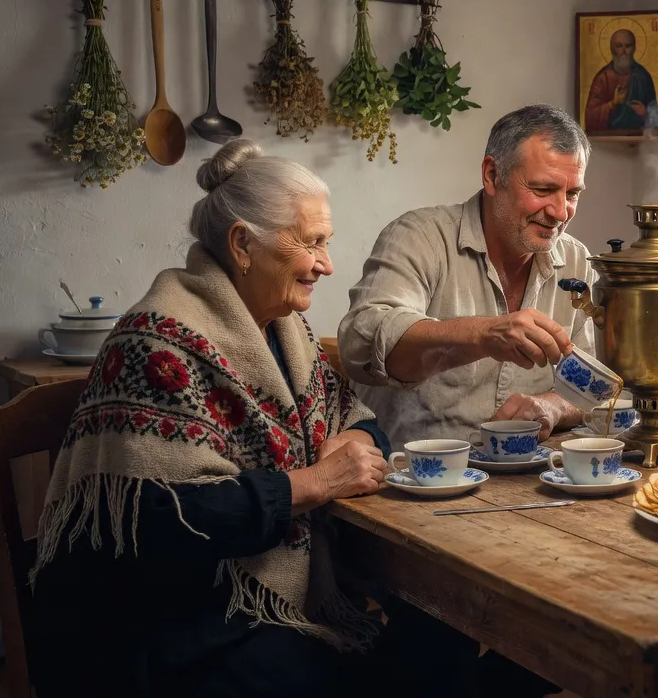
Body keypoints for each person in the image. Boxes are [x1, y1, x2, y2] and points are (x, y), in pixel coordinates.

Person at [28, 140, 413, 695]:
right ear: (242, 245)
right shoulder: (157, 343)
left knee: (421, 652)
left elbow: (358, 420)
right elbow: (162, 523)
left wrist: (348, 439)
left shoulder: (288, 332)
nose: (327, 263)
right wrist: (317, 482)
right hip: (156, 619)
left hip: (240, 595)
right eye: (312, 243)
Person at [340, 105, 596, 445]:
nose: (560, 212)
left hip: (522, 485)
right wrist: (484, 334)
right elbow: (360, 346)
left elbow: (590, 388)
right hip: (407, 482)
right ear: (491, 175)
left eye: (573, 193)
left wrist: (551, 407)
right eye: (542, 190)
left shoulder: (578, 259)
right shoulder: (419, 237)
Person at [583, 28, 658, 132]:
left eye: (628, 46)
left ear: (634, 48)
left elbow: (657, 121)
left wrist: (645, 113)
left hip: (639, 140)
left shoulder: (643, 77)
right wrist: (613, 103)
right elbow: (590, 118)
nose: (624, 52)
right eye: (619, 46)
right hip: (608, 141)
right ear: (612, 49)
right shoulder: (603, 78)